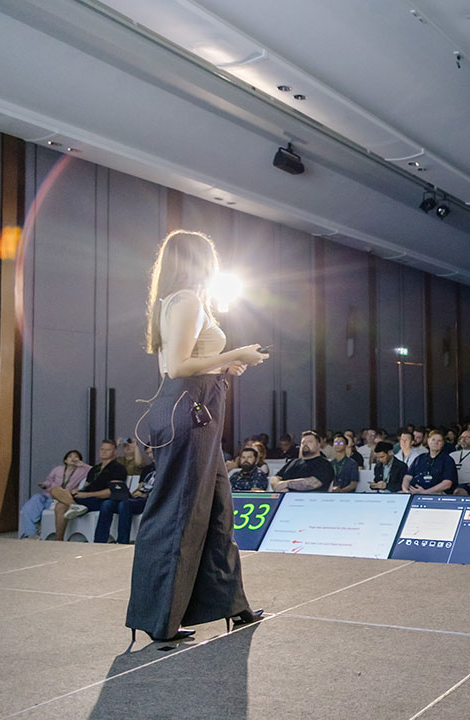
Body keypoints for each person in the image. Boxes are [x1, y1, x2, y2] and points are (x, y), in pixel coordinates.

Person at [127, 230, 266, 643]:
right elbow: (177, 366)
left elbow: (187, 363)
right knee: (180, 515)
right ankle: (160, 619)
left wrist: (224, 367)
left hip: (196, 409)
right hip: (191, 412)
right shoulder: (186, 299)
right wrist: (234, 355)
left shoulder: (177, 301)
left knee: (219, 513)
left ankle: (230, 605)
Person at [49, 440, 125, 541]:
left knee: (61, 504)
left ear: (114, 451)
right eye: (102, 449)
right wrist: (78, 491)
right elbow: (87, 485)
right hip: (85, 498)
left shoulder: (118, 468)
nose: (104, 452)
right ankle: (59, 539)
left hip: (99, 500)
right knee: (56, 492)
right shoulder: (95, 469)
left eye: (108, 450)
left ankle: (75, 506)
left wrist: (86, 495)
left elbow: (113, 492)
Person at [19, 450, 90, 539]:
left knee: (55, 492)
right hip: (48, 495)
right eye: (70, 456)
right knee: (31, 503)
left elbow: (95, 471)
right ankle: (31, 534)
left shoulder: (82, 470)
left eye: (76, 456)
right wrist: (44, 484)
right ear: (65, 460)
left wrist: (83, 465)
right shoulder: (58, 469)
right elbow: (49, 481)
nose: (73, 458)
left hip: (63, 497)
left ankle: (74, 506)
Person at [97, 445, 156, 544]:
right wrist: (134, 493)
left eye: (152, 452)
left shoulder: (165, 468)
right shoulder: (147, 469)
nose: (150, 455)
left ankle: (122, 541)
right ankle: (99, 541)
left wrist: (145, 495)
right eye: (148, 453)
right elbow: (141, 487)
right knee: (107, 504)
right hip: (138, 499)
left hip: (150, 500)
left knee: (124, 504)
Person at [271, 431, 335, 492]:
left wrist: (286, 484)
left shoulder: (324, 464)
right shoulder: (293, 462)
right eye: (303, 442)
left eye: (310, 442)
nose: (305, 444)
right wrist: (277, 485)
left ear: (318, 445)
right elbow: (276, 477)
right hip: (287, 498)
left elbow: (315, 483)